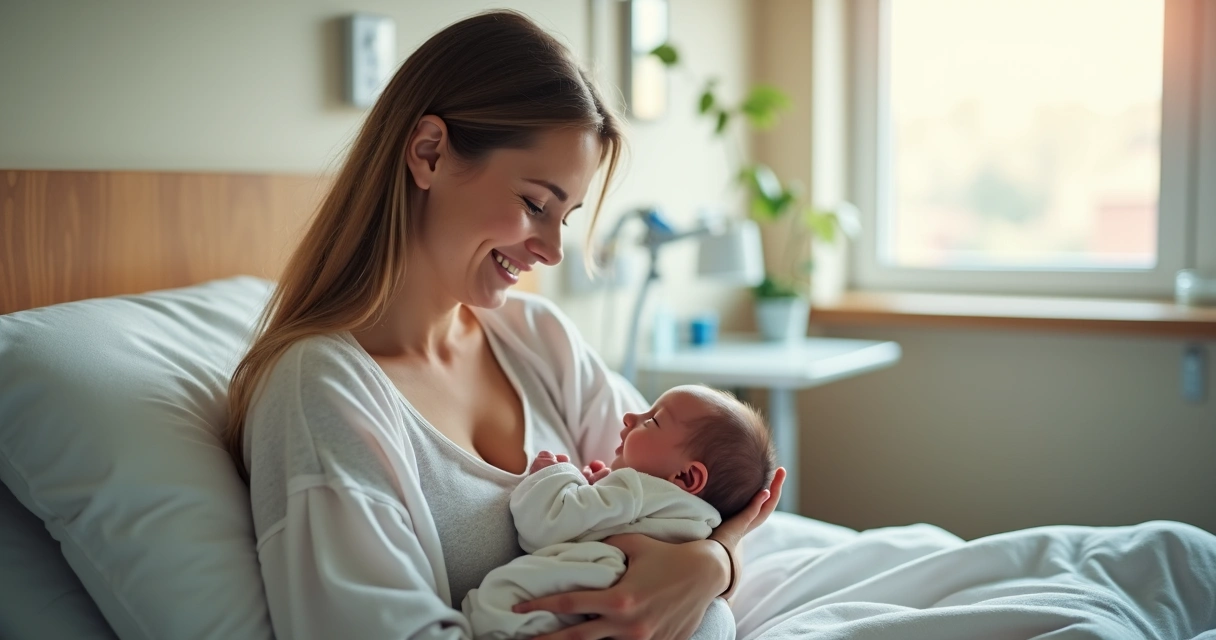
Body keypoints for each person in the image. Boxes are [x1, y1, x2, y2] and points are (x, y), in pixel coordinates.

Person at [224, 10, 784, 640]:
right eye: (533, 204)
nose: (551, 250)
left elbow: (696, 492)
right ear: (429, 153)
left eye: (564, 217)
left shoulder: (536, 337)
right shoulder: (320, 389)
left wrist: (710, 564)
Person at [462, 386, 777, 638]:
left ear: (686, 477)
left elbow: (544, 526)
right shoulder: (701, 522)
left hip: (543, 618)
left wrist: (556, 476)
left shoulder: (635, 488)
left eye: (652, 420)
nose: (629, 417)